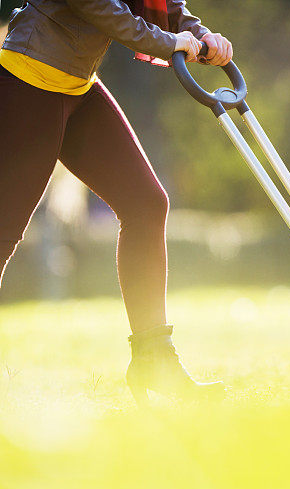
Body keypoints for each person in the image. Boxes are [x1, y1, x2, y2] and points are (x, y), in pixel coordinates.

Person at [0, 0, 233, 404]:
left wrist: (199, 34)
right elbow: (99, 7)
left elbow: (161, 3)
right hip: (28, 80)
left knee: (146, 205)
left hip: (78, 83)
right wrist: (170, 42)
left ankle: (154, 359)